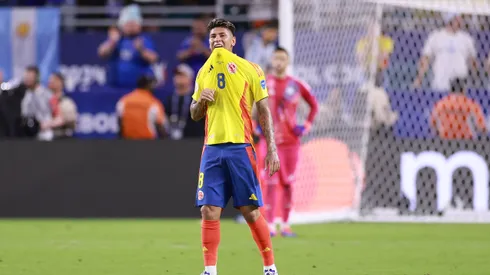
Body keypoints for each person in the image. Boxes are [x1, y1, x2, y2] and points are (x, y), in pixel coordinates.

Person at [190, 18, 280, 275]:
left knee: (251, 212)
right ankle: (210, 270)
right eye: (212, 36)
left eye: (221, 35)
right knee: (208, 210)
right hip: (212, 150)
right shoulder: (203, 72)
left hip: (241, 148)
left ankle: (270, 267)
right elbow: (194, 113)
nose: (216, 39)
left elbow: (263, 110)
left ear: (233, 40)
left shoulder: (251, 68)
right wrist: (200, 103)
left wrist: (271, 147)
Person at [258, 47, 318, 237]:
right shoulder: (263, 83)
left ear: (288, 61)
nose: (279, 62)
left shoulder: (296, 85)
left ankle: (285, 224)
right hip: (269, 142)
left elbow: (314, 106)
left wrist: (305, 126)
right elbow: (250, 107)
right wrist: (254, 127)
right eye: (276, 58)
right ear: (271, 60)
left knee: (288, 183)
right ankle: (268, 225)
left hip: (291, 142)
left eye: (282, 58)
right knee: (269, 182)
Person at [97, 4, 159, 89]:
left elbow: (154, 58)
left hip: (138, 88)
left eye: (134, 23)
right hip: (116, 87)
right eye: (129, 24)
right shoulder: (116, 38)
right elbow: (101, 53)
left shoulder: (144, 39)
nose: (132, 26)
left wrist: (141, 50)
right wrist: (112, 42)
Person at [413, 13, 478, 92]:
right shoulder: (436, 36)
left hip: (460, 84)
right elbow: (425, 59)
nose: (460, 20)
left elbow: (472, 61)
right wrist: (419, 78)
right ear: (450, 20)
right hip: (440, 83)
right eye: (457, 18)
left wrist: (475, 79)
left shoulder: (467, 38)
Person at [116, 75, 167, 139]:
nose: (154, 87)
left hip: (127, 142)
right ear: (148, 86)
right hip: (147, 143)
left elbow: (120, 125)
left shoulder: (124, 101)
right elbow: (160, 127)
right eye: (152, 85)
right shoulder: (154, 103)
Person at [164, 64, 205, 140]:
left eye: (182, 75)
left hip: (194, 140)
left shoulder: (197, 98)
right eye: (177, 75)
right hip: (173, 140)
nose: (178, 78)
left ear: (190, 78)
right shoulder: (170, 99)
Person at [46, 72, 78, 139]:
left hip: (61, 138)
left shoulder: (66, 102)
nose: (49, 82)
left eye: (52, 80)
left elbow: (70, 120)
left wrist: (50, 124)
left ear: (60, 83)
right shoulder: (45, 99)